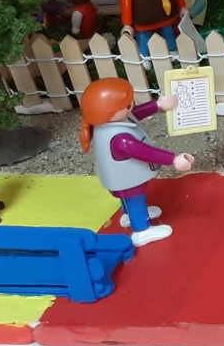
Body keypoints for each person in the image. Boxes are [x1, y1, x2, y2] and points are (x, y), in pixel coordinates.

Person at [80, 78, 192, 247]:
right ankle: (142, 229)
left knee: (129, 199)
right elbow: (146, 152)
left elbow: (135, 114)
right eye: (127, 105)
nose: (130, 107)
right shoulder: (121, 139)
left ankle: (129, 216)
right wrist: (173, 159)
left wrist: (158, 105)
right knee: (135, 198)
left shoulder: (107, 124)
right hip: (127, 178)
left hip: (119, 176)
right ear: (109, 112)